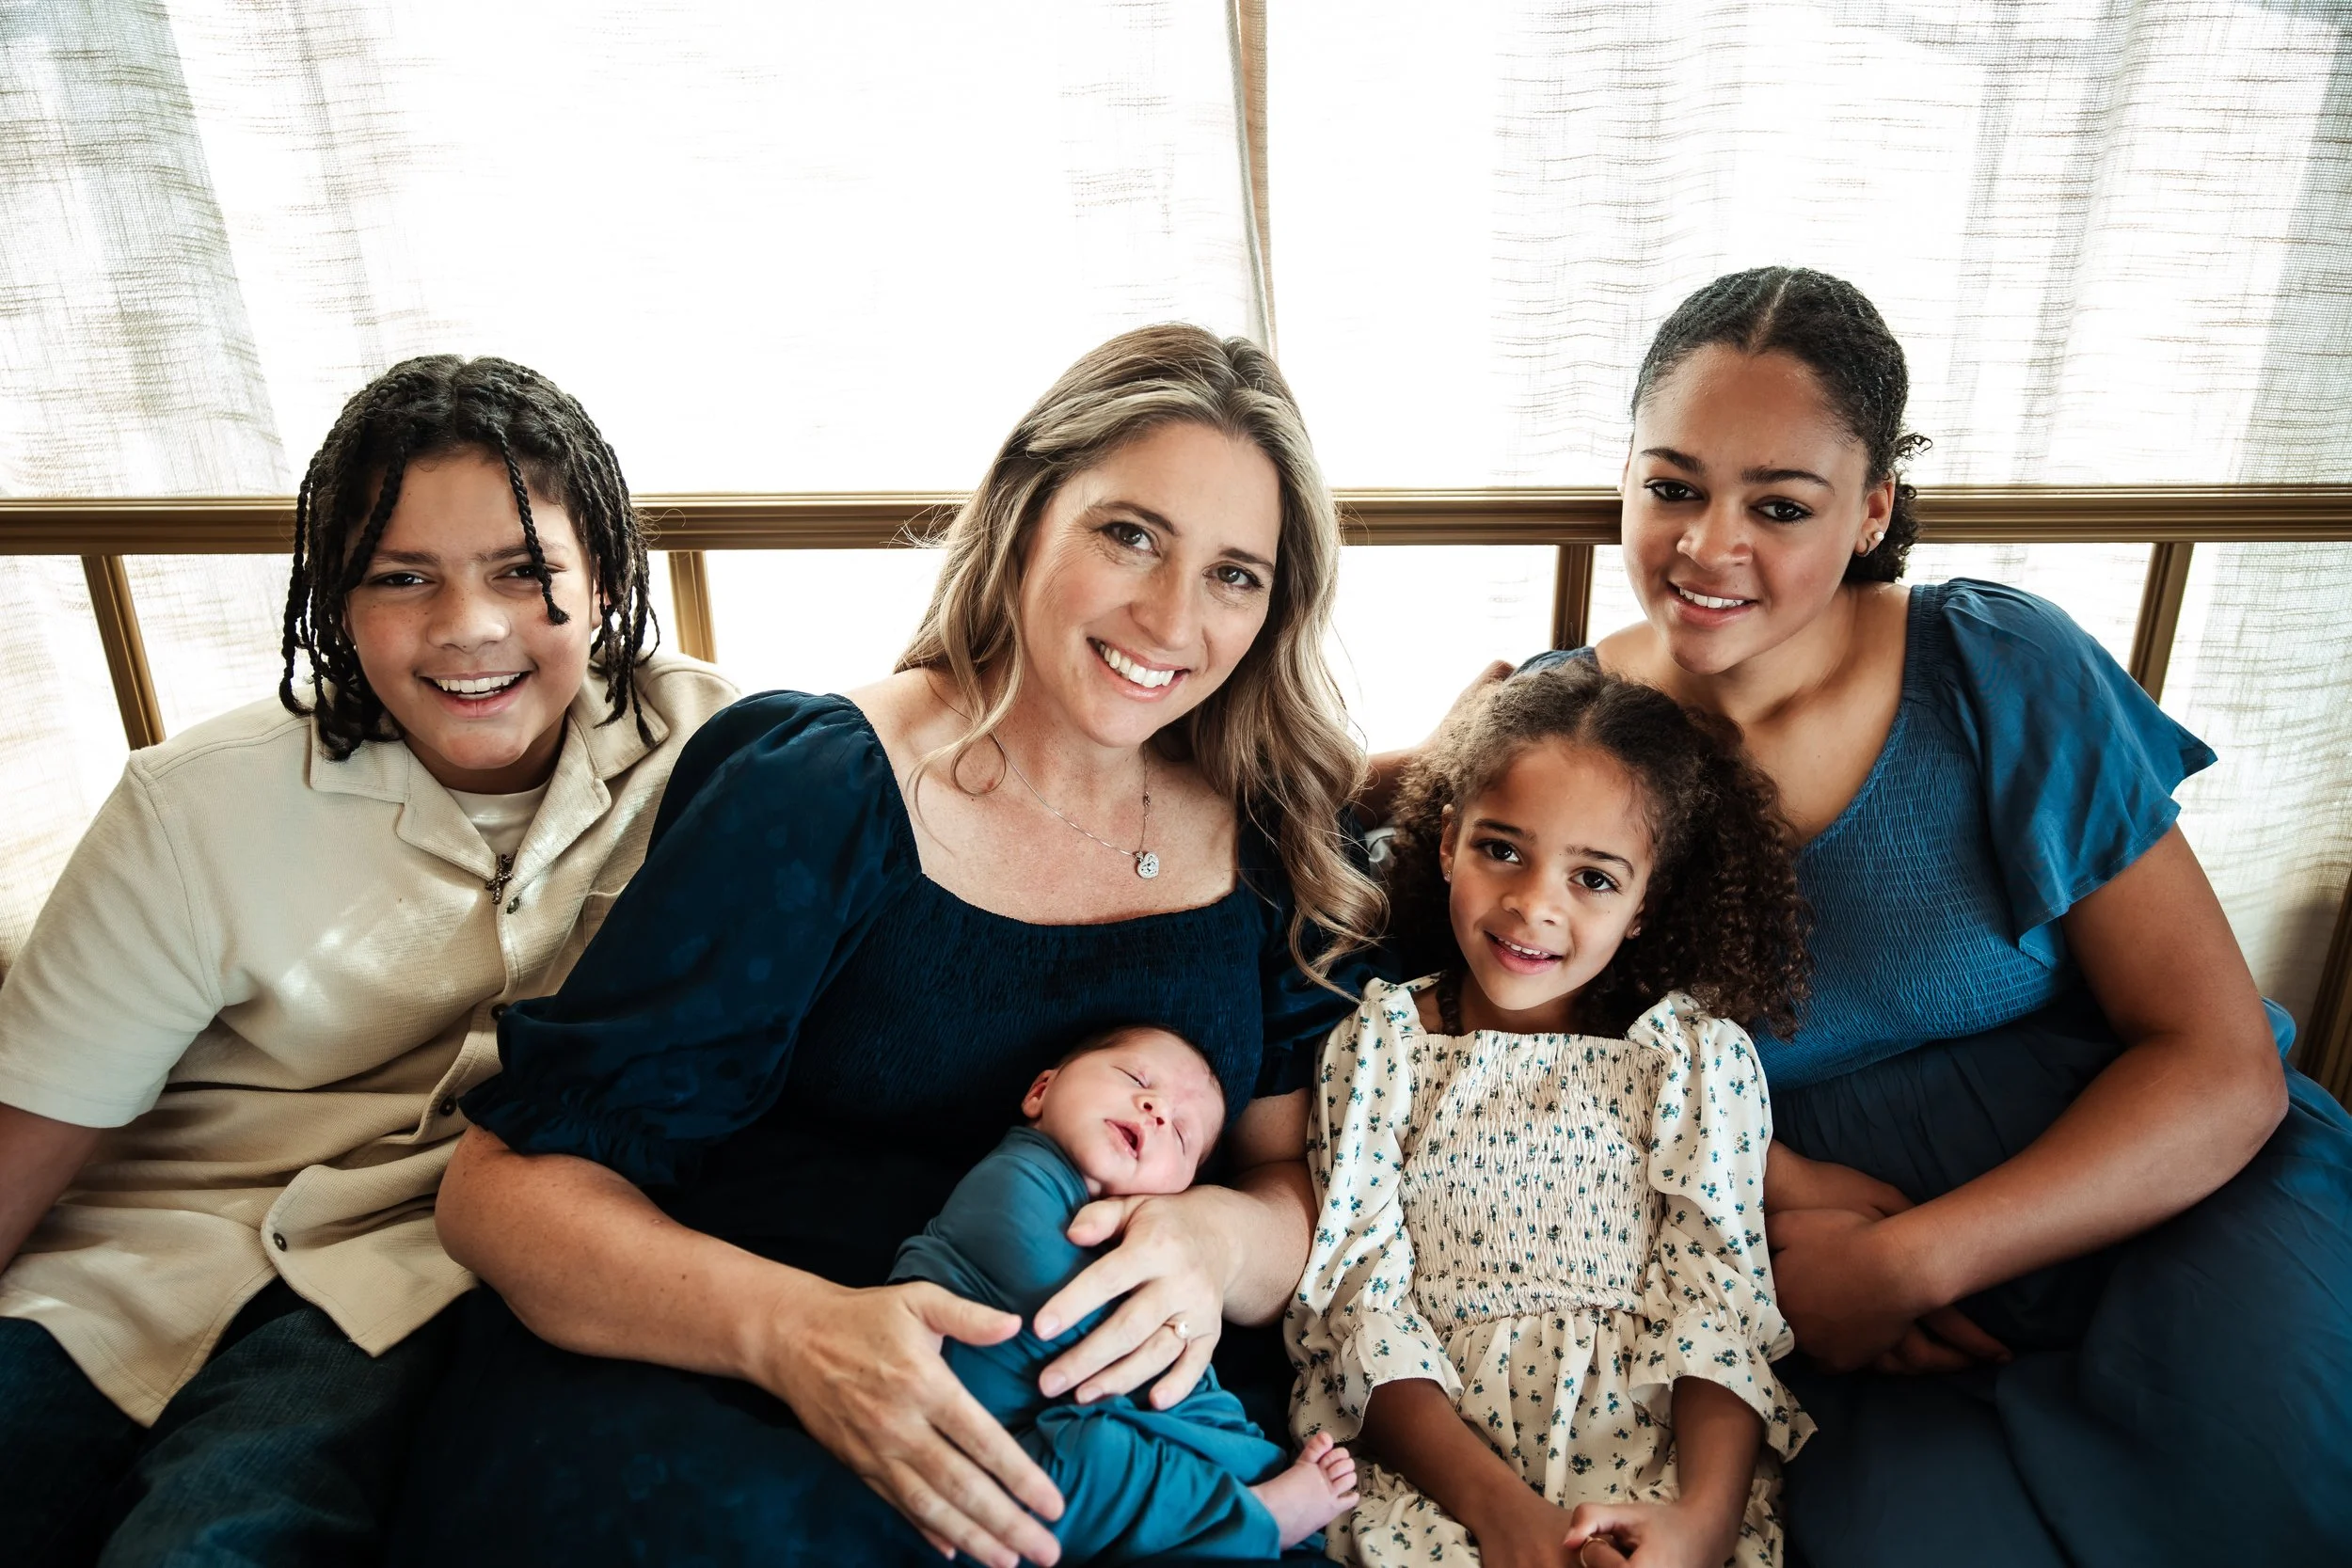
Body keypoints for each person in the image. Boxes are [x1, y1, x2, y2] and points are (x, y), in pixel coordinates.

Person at [390, 324, 1386, 1568]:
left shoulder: (1273, 833)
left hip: (1100, 1418)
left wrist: (1215, 1242)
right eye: (1131, 533)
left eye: (1236, 573)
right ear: (1029, 512)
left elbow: (1291, 1175)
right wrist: (800, 1337)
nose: (1172, 615)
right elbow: (500, 1194)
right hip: (757, 1379)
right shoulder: (821, 792)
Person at [1444, 267, 2352, 1567]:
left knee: (2283, 1493)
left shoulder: (1997, 668)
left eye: (1781, 504)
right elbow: (1544, 1058)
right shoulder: (1566, 732)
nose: (1708, 546)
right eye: (1672, 485)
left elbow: (2220, 1061)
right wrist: (1784, 1232)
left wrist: (1909, 1263)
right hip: (1811, 1279)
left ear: (1872, 510)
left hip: (2156, 1197)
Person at [0, 354, 736, 1566]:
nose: (470, 628)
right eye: (402, 578)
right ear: (333, 600)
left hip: (408, 1272)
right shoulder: (198, 804)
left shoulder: (723, 759)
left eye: (523, 570)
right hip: (144, 1256)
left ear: (602, 576)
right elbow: (30, 1138)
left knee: (211, 1543)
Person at [1294, 661, 1812, 1568]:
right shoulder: (1383, 1046)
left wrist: (1700, 1525)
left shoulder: (1693, 1060)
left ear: (1646, 902)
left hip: (1656, 1476)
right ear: (1448, 841)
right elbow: (1358, 1308)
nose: (1534, 903)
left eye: (1595, 879)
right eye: (1503, 848)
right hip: (1438, 1477)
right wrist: (1507, 1517)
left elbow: (1720, 1301)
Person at [893, 1022, 1359, 1561]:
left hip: (1028, 1453)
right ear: (1041, 1091)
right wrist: (1232, 1442)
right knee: (1103, 1455)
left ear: (1181, 1189)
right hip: (954, 1444)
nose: (1158, 1110)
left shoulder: (1150, 1251)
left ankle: (1238, 1505)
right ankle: (1249, 1514)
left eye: (1182, 1135)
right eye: (1137, 1078)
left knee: (1105, 1454)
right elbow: (1116, 1346)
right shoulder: (1015, 1181)